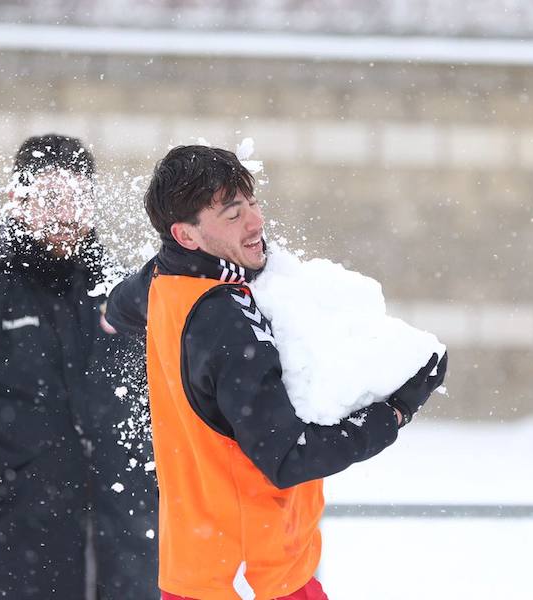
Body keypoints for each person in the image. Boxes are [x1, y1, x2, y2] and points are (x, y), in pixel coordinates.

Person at [105, 145, 447, 600]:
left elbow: (119, 306)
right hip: (256, 581)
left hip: (199, 572)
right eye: (232, 215)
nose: (256, 222)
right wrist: (397, 409)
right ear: (187, 236)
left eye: (252, 203)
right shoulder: (225, 320)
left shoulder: (164, 282)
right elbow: (290, 457)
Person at [0, 134, 159, 600]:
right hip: (11, 550)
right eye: (50, 197)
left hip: (125, 552)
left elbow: (158, 404)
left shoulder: (123, 298)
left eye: (78, 197)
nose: (64, 213)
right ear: (16, 199)